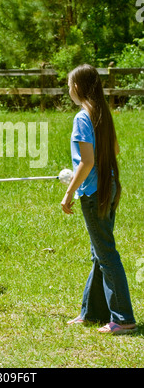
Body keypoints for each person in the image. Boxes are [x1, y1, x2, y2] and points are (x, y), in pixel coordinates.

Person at [61, 64, 136, 335]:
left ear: (77, 88)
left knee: (106, 254)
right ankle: (92, 312)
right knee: (99, 252)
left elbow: (88, 161)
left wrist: (70, 190)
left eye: (69, 86)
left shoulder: (82, 117)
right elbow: (113, 150)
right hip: (109, 187)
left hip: (93, 192)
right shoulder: (102, 113)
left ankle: (124, 318)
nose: (68, 90)